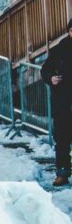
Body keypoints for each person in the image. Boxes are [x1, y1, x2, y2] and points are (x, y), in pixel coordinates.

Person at [41, 17, 72, 187]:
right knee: (62, 139)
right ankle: (63, 173)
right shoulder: (61, 49)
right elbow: (45, 70)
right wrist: (51, 78)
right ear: (69, 31)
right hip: (62, 102)